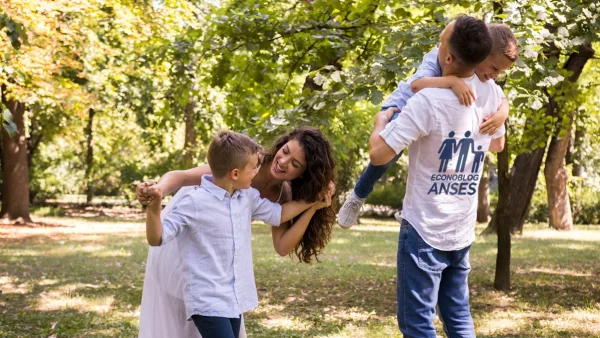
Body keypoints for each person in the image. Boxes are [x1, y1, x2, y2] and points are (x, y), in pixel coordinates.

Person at [368, 16, 510, 337]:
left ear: (446, 57)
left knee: (418, 325)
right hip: (461, 229)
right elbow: (498, 144)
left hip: (424, 229)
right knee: (458, 316)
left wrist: (380, 123)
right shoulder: (491, 94)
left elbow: (379, 154)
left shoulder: (427, 101)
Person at [137, 127, 336, 338]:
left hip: (221, 264)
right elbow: (181, 177)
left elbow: (282, 243)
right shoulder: (242, 159)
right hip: (185, 240)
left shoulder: (271, 193)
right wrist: (156, 191)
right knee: (182, 321)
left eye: (295, 164)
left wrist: (313, 205)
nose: (284, 162)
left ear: (303, 174)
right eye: (285, 151)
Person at [337, 22, 518, 228]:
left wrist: (503, 113)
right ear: (482, 53)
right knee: (389, 152)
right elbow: (416, 86)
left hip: (424, 113)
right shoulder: (440, 54)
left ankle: (412, 207)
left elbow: (501, 98)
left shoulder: (483, 83)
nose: (496, 75)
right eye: (494, 68)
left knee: (431, 151)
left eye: (501, 72)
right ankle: (358, 195)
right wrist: (451, 81)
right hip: (400, 106)